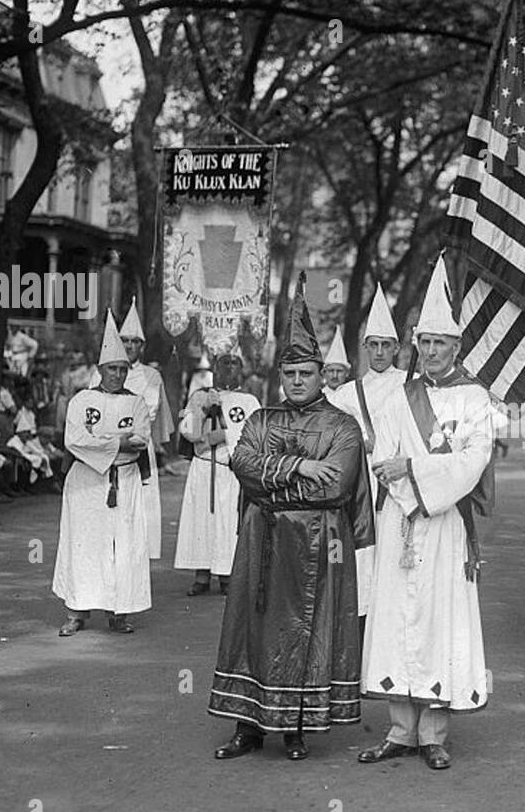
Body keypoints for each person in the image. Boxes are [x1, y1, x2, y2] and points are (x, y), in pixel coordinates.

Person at [207, 275, 373, 762]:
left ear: (322, 375)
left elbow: (337, 486)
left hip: (318, 543)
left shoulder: (343, 425)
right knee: (252, 627)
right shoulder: (260, 419)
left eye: (306, 374)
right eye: (290, 374)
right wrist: (298, 466)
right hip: (264, 537)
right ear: (281, 377)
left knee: (307, 630)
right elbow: (242, 466)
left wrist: (271, 479)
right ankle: (247, 727)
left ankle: (296, 725)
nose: (297, 382)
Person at [358, 257, 493, 770]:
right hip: (401, 522)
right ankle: (399, 730)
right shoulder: (400, 395)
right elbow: (380, 456)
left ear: (456, 347)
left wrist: (411, 473)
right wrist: (405, 477)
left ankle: (435, 732)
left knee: (439, 620)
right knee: (397, 617)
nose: (432, 351)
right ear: (416, 345)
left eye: (441, 343)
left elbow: (471, 462)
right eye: (426, 342)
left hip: (443, 521)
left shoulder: (474, 398)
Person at [52, 313, 152, 635]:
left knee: (121, 547)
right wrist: (117, 441)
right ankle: (76, 612)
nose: (118, 374)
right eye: (112, 369)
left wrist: (106, 443)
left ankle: (119, 612)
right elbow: (75, 441)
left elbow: (141, 440)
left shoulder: (135, 403)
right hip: (86, 483)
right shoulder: (82, 400)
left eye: (123, 369)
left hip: (123, 481)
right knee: (83, 545)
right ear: (100, 370)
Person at [327, 285, 406, 628]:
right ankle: (362, 623)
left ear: (396, 348)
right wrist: (363, 441)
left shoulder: (411, 384)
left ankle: (394, 621)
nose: (379, 352)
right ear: (364, 348)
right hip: (362, 483)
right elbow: (332, 436)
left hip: (399, 482)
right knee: (364, 553)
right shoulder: (346, 394)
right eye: (373, 345)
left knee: (397, 552)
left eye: (385, 345)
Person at [89, 300, 173, 560]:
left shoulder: (151, 376)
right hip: (105, 445)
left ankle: (135, 555)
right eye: (125, 341)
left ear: (142, 345)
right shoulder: (100, 373)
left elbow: (150, 414)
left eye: (135, 341)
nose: (129, 346)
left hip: (137, 443)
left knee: (138, 502)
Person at [174, 351, 261, 596]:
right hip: (203, 466)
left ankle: (226, 575)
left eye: (235, 363)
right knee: (201, 520)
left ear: (242, 368)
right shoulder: (198, 396)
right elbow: (187, 430)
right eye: (224, 362)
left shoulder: (250, 401)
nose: (229, 368)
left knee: (227, 523)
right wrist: (204, 409)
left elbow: (257, 434)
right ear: (214, 367)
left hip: (230, 470)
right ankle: (201, 576)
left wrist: (226, 435)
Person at [322, 328, 350, 398]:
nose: (335, 376)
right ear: (324, 373)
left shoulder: (351, 396)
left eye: (339, 371)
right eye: (331, 371)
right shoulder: (317, 397)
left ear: (347, 373)